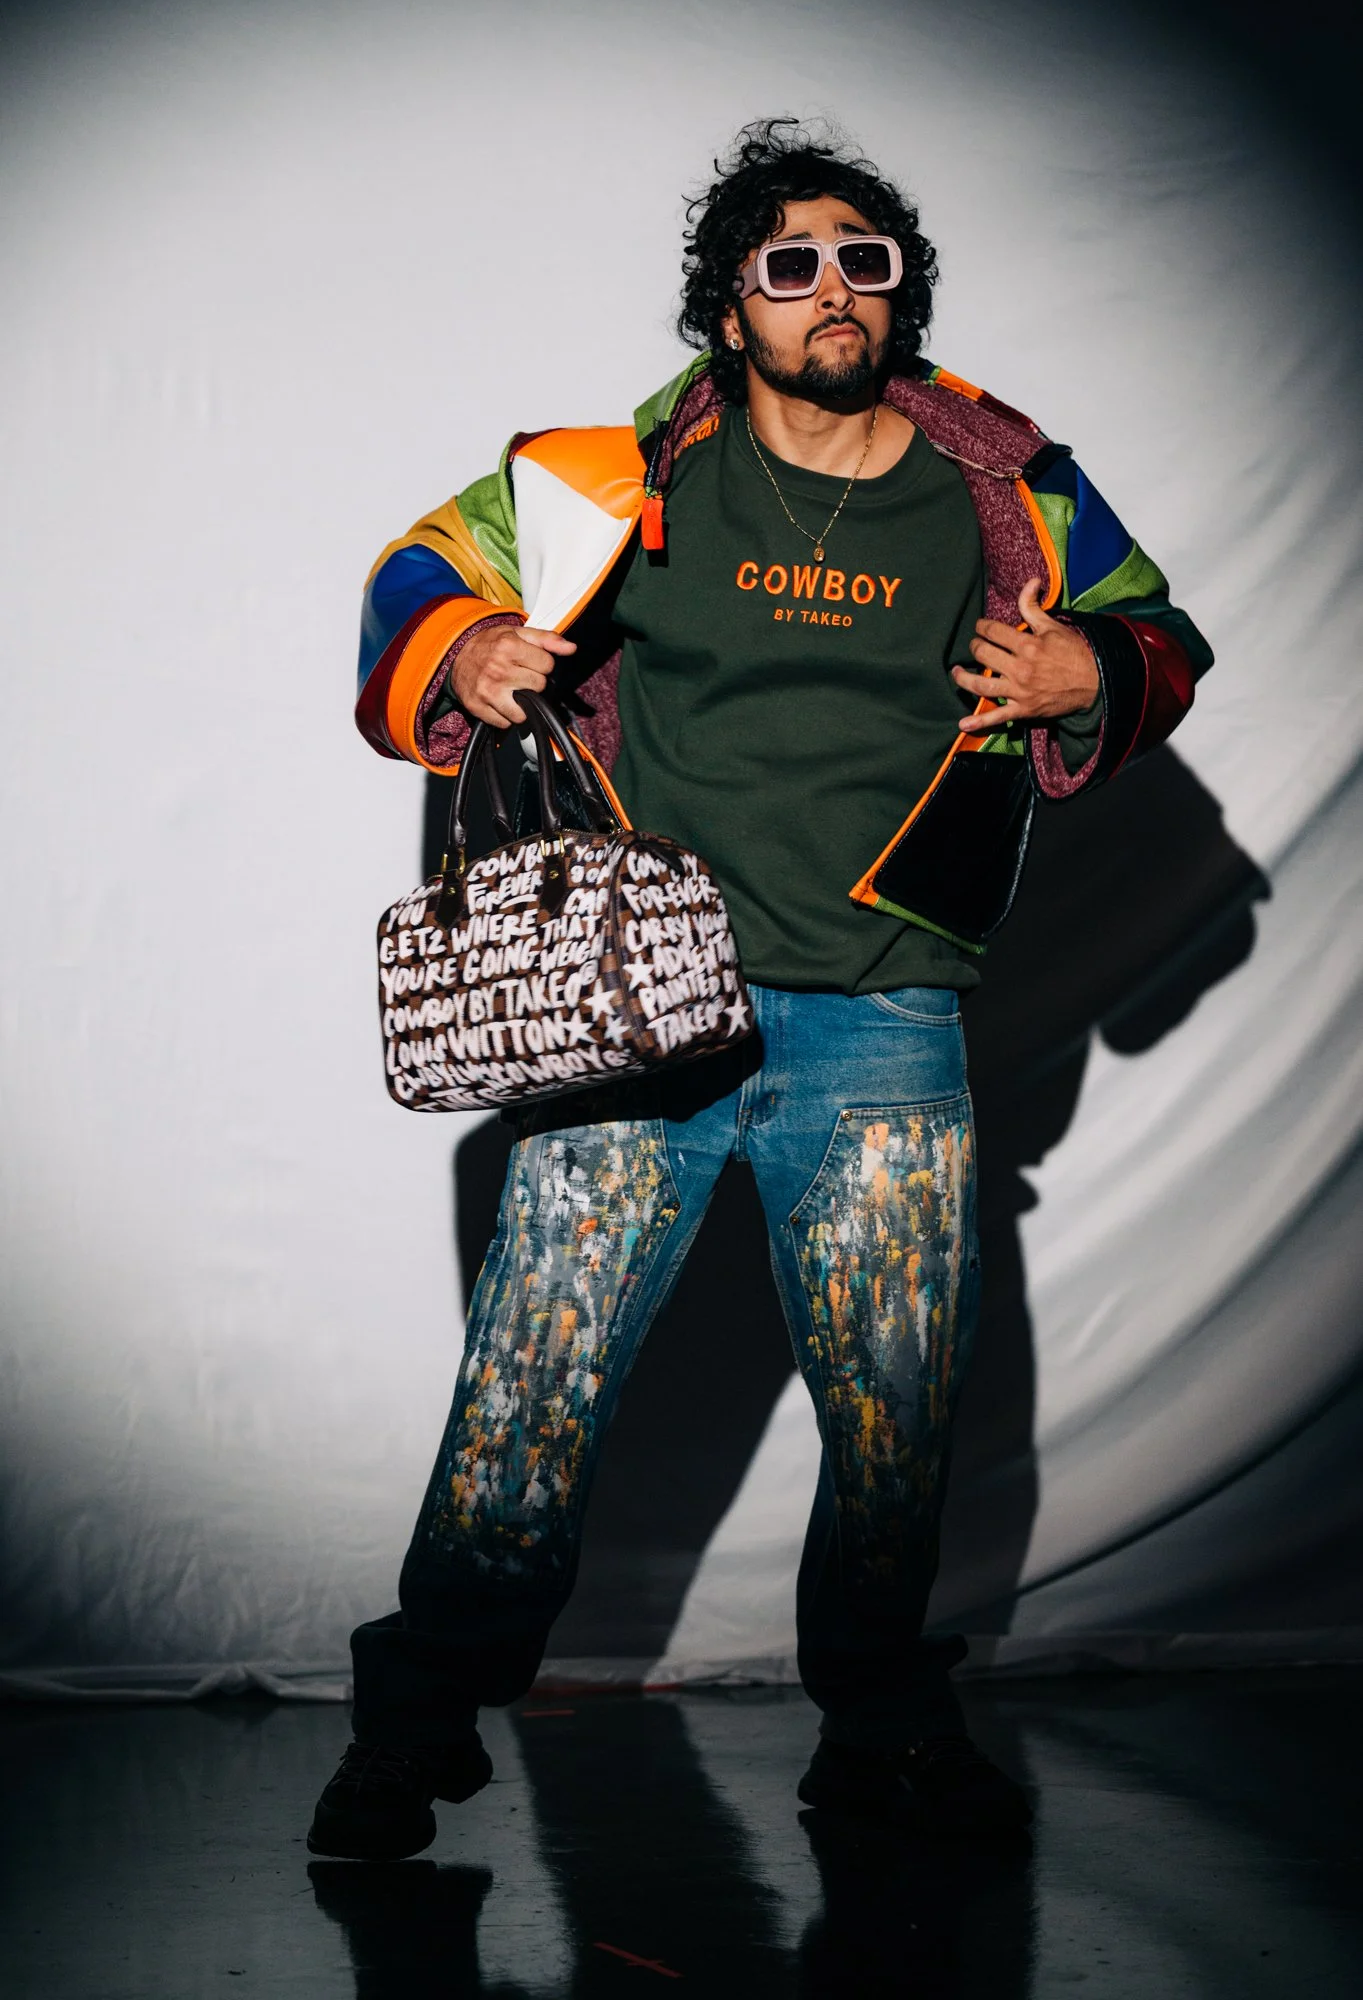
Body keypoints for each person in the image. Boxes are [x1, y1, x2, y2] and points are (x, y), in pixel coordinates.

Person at [309, 119, 1211, 1861]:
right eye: (785, 264)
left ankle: (879, 1732)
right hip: (636, 1008)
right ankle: (411, 1732)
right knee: (531, 1393)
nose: (826, 290)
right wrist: (469, 643)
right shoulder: (604, 473)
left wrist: (1088, 659)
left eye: (859, 260)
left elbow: (1152, 629)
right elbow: (414, 577)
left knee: (894, 1418)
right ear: (730, 308)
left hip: (883, 1013)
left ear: (898, 290)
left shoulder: (1008, 484)